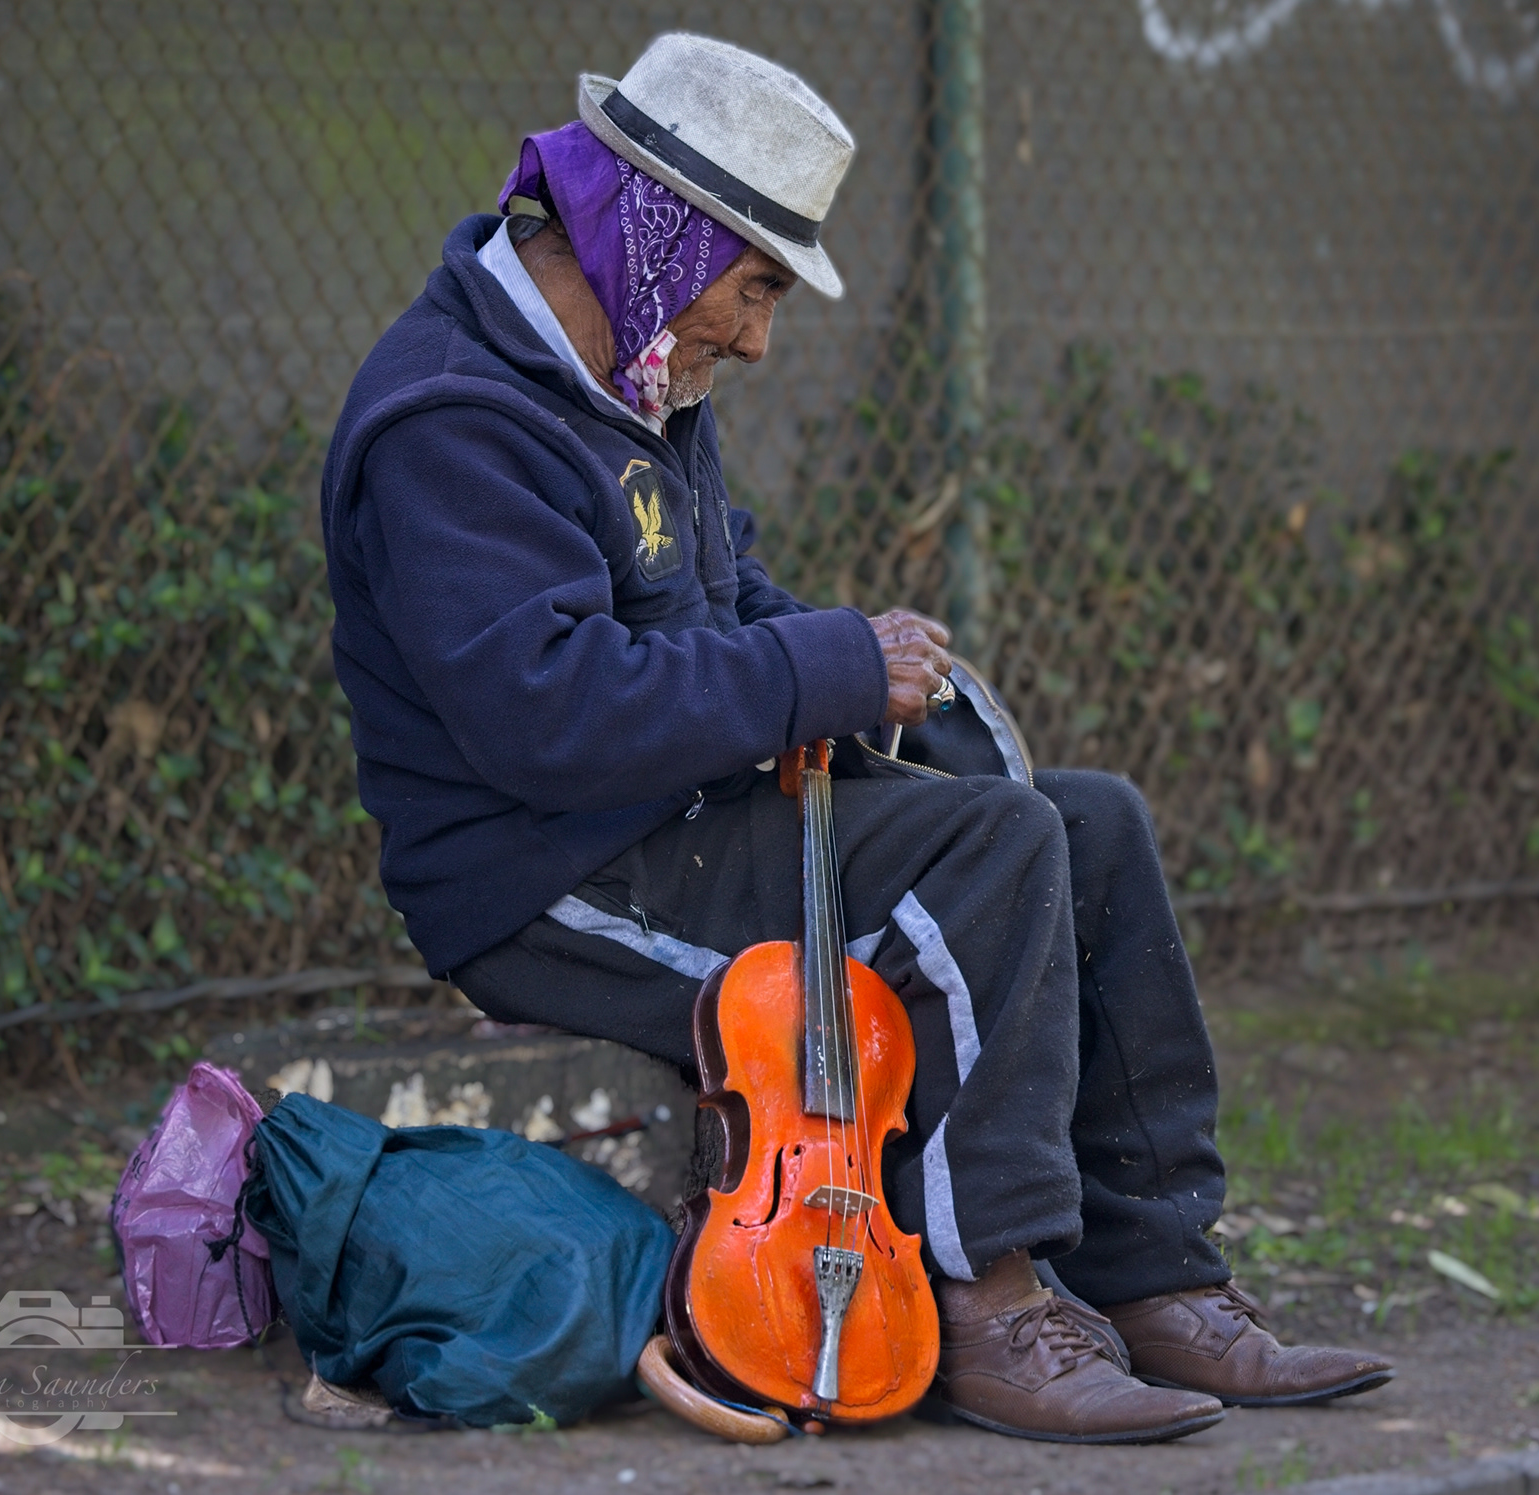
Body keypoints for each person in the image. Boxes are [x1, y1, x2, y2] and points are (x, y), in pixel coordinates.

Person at [320, 32, 1393, 1444]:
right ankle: (990, 1302)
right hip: (547, 882)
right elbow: (549, 716)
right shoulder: (450, 416)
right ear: (654, 230)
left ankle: (1160, 1283)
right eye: (754, 283)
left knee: (1091, 821)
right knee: (995, 854)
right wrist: (821, 666)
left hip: (675, 824)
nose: (757, 337)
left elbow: (721, 598)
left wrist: (858, 673)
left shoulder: (636, 378)